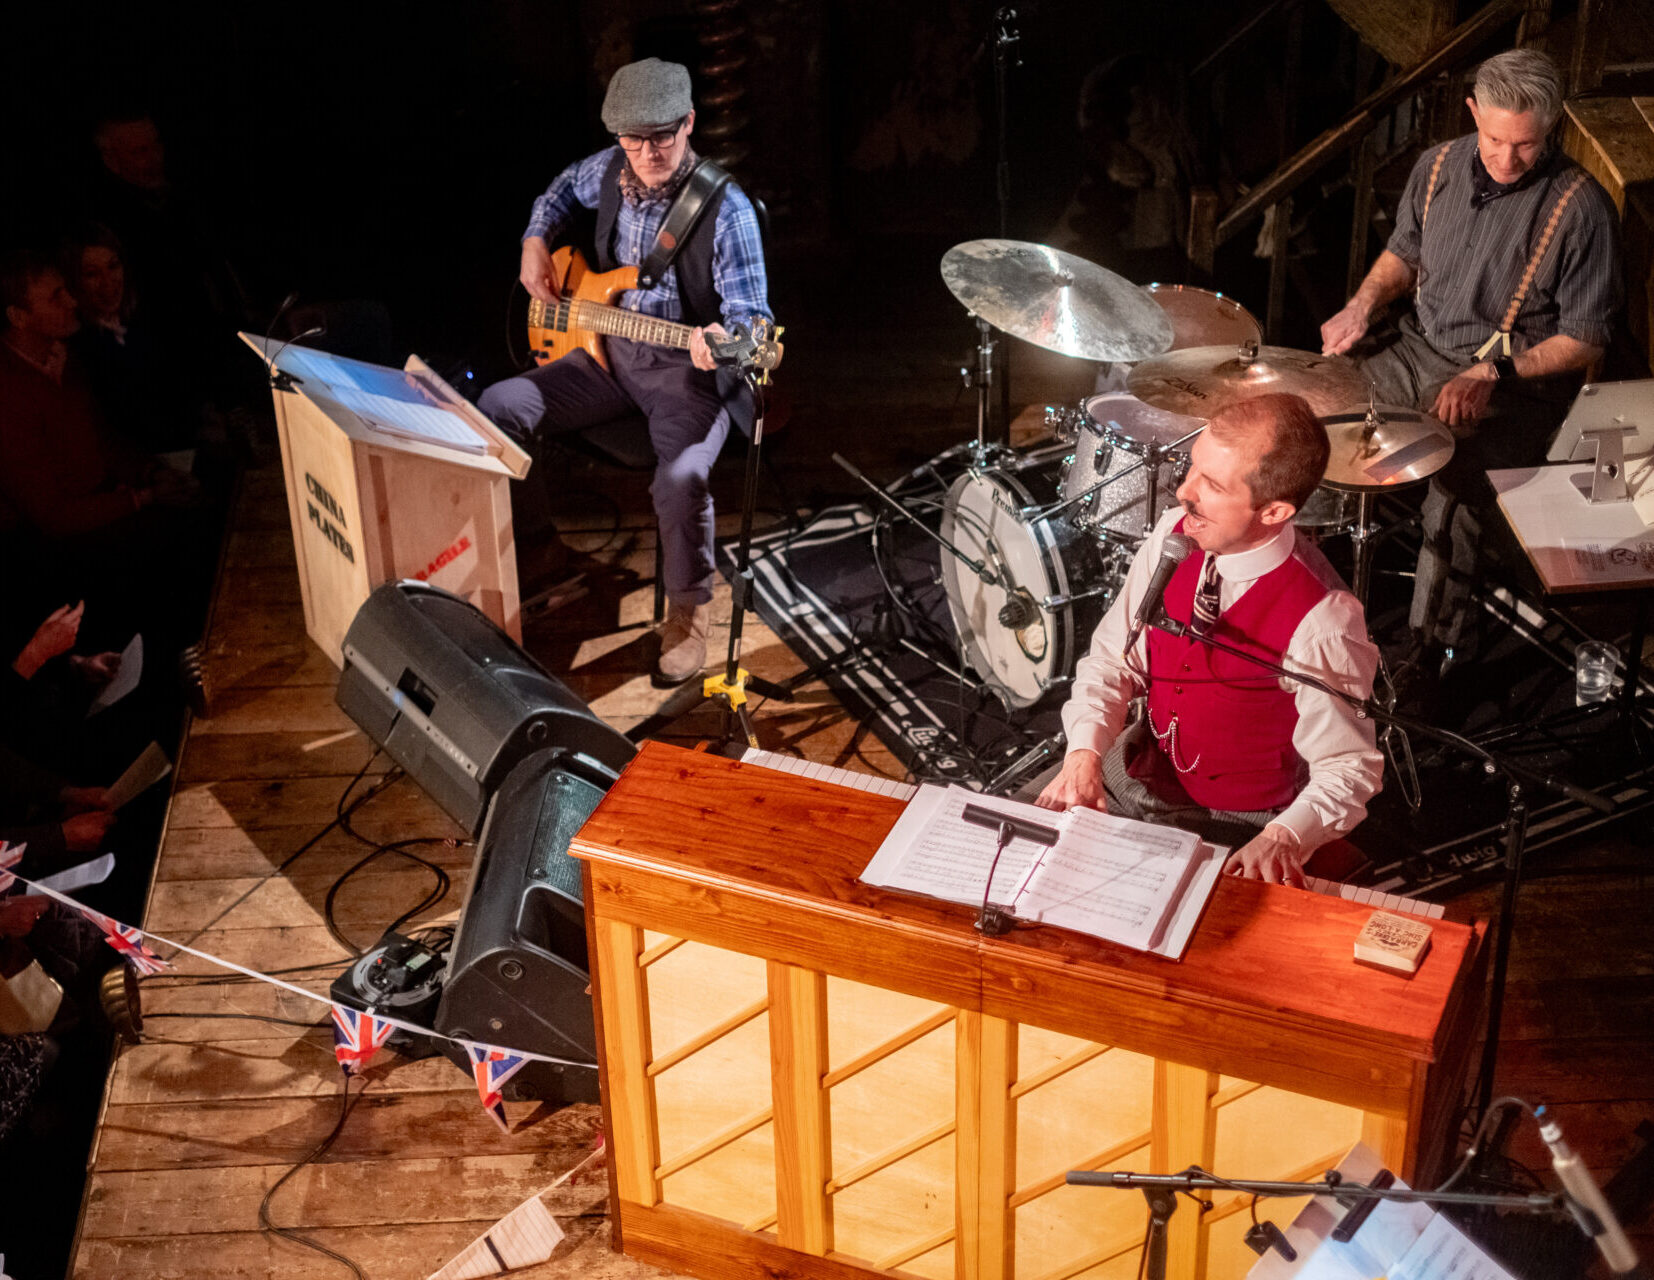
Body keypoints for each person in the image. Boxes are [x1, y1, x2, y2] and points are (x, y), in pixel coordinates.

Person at [1322, 48, 1622, 672]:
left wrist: (1494, 371)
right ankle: (1304, 597)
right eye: (1494, 139)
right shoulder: (1435, 167)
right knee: (1317, 419)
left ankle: (1430, 654)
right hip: (1416, 348)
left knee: (1451, 493)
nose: (1508, 160)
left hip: (1515, 385)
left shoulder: (1582, 208)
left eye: (1527, 145)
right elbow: (1403, 254)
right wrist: (1361, 304)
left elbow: (1587, 337)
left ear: (1551, 129)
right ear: (1471, 112)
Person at [478, 58, 772, 684]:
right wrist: (536, 237)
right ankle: (539, 552)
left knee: (684, 475)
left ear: (689, 122)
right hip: (608, 356)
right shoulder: (611, 168)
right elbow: (558, 189)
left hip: (686, 377)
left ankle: (690, 612)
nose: (646, 152)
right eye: (632, 139)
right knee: (500, 407)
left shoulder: (729, 212)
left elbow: (753, 324)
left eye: (662, 136)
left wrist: (728, 340)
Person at [1035, 393, 1383, 886]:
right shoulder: (1173, 535)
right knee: (1013, 855)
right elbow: (1115, 658)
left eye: (1212, 484)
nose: (1183, 491)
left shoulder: (1324, 619)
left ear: (1274, 511)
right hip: (1135, 769)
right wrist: (1084, 754)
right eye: (1191, 468)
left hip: (1241, 821)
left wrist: (1285, 837)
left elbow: (1349, 766)